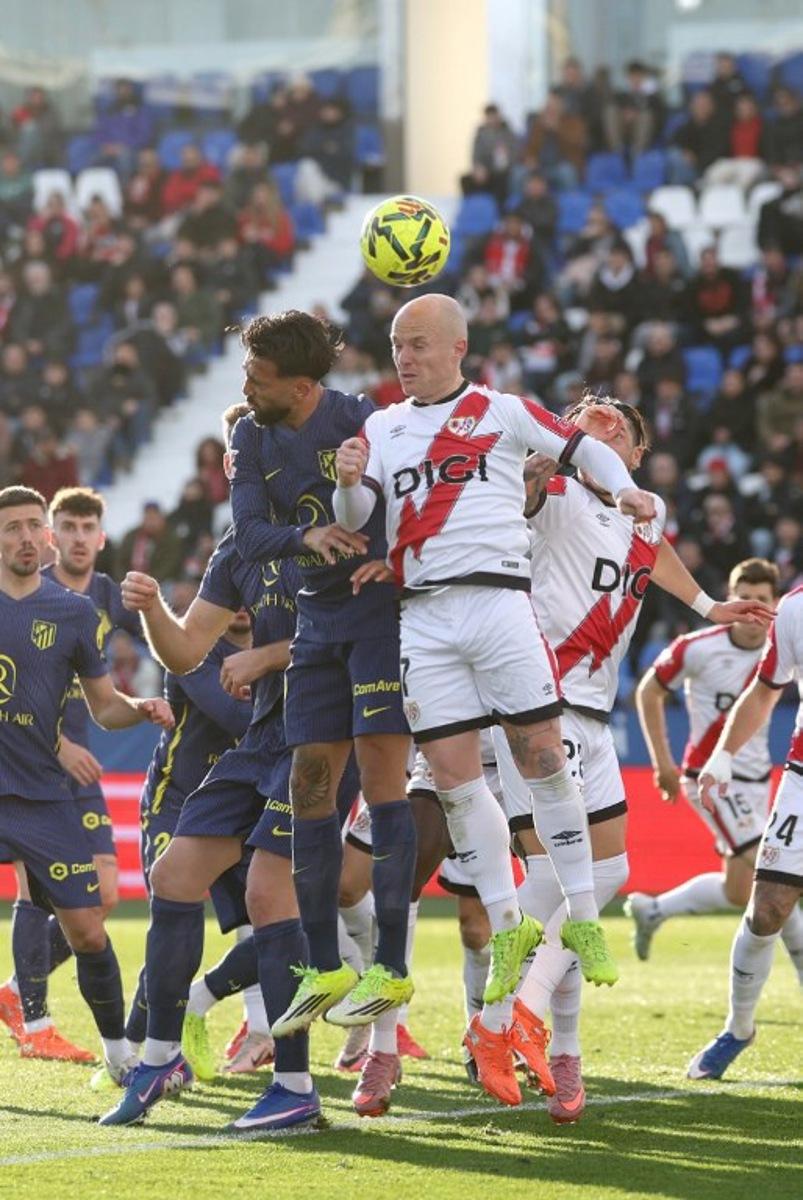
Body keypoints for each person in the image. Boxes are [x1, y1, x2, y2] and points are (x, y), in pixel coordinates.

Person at [332, 294, 657, 1104]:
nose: (403, 356)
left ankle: (547, 1018)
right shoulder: (382, 428)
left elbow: (583, 451)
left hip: (504, 614)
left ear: (456, 347)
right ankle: (386, 1038)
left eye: (417, 343)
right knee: (430, 814)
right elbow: (360, 516)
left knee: (545, 778)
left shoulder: (506, 415)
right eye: (395, 344)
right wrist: (344, 489)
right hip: (426, 619)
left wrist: (624, 491)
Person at [485, 401, 771, 1118]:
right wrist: (527, 475)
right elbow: (517, 501)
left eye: (615, 422)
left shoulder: (641, 507)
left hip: (592, 712)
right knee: (566, 880)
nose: (597, 425)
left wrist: (707, 605)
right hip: (537, 700)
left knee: (595, 877)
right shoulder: (555, 487)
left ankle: (522, 1024)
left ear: (638, 453)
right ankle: (521, 1030)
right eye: (585, 417)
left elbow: (655, 548)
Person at [227, 311, 416, 1120]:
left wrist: (387, 553)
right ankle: (319, 988)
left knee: (382, 787)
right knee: (309, 794)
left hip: (380, 620)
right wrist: (314, 537)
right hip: (316, 627)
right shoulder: (250, 437)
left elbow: (412, 509)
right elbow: (248, 536)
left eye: (258, 377)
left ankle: (390, 982)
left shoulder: (364, 422)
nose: (246, 387)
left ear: (300, 388)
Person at [0, 485, 172, 1079]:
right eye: (12, 528)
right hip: (29, 772)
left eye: (32, 526)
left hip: (47, 794)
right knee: (36, 900)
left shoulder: (76, 610)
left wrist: (141, 707)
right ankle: (37, 1020)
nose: (25, 537)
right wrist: (59, 742)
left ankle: (119, 1055)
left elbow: (104, 705)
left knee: (90, 926)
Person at [630, 559, 803, 983]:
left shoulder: (787, 640)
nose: (752, 608)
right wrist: (662, 762)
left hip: (761, 779)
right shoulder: (697, 647)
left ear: (775, 602)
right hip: (710, 780)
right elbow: (648, 692)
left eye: (761, 599)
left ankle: (652, 909)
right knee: (779, 879)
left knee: (739, 891)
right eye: (743, 597)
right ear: (730, 596)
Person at [122, 605, 254, 1076]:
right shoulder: (192, 651)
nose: (240, 600)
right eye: (229, 589)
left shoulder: (278, 649)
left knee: (288, 929)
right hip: (174, 802)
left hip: (240, 802)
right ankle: (134, 1051)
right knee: (177, 913)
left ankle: (199, 1000)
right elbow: (237, 719)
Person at [687, 584, 803, 1079]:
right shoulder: (796, 607)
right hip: (802, 778)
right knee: (769, 906)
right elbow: (765, 689)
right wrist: (723, 753)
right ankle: (738, 1028)